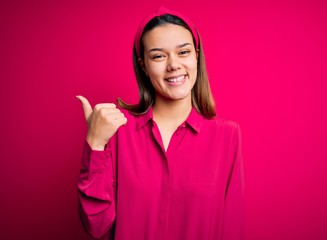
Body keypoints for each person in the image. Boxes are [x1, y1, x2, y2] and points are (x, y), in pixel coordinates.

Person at [76, 7, 244, 240]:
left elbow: (232, 228)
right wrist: (95, 143)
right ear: (143, 65)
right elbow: (96, 227)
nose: (173, 64)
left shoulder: (227, 134)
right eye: (158, 56)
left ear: (196, 56)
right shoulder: (117, 132)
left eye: (183, 52)